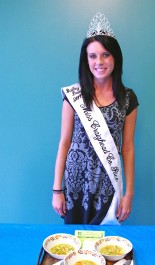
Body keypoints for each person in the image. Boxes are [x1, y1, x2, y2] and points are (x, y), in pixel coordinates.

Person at [52, 12, 139, 225]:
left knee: (106, 240)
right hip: (76, 181)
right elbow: (65, 142)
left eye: (105, 54)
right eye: (92, 56)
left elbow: (127, 148)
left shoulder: (128, 98)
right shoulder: (73, 96)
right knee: (76, 241)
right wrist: (57, 189)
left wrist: (129, 194)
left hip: (108, 180)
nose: (99, 62)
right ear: (86, 59)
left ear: (115, 57)